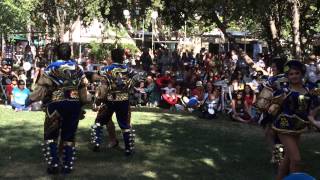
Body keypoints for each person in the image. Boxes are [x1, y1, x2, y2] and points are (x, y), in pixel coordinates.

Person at [25, 43, 89, 174]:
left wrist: (30, 99)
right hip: (73, 104)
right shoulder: (78, 68)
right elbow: (83, 88)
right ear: (70, 53)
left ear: (57, 54)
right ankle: (67, 167)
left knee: (50, 134)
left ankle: (54, 164)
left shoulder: (51, 68)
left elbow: (42, 89)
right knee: (69, 136)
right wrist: (82, 102)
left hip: (56, 104)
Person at [268, 60, 319, 180]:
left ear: (302, 73)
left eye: (297, 73)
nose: (294, 76)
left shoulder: (309, 89)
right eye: (291, 74)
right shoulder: (284, 90)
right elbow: (272, 106)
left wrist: (313, 119)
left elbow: (314, 106)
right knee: (296, 159)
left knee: (287, 159)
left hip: (298, 126)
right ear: (287, 76)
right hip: (283, 126)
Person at [90, 48, 146, 156]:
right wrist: (130, 83)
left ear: (112, 56)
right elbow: (142, 74)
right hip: (123, 100)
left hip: (109, 99)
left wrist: (103, 80)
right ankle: (128, 149)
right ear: (122, 57)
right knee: (125, 125)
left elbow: (93, 76)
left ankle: (96, 144)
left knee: (99, 121)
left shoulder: (106, 69)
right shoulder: (127, 69)